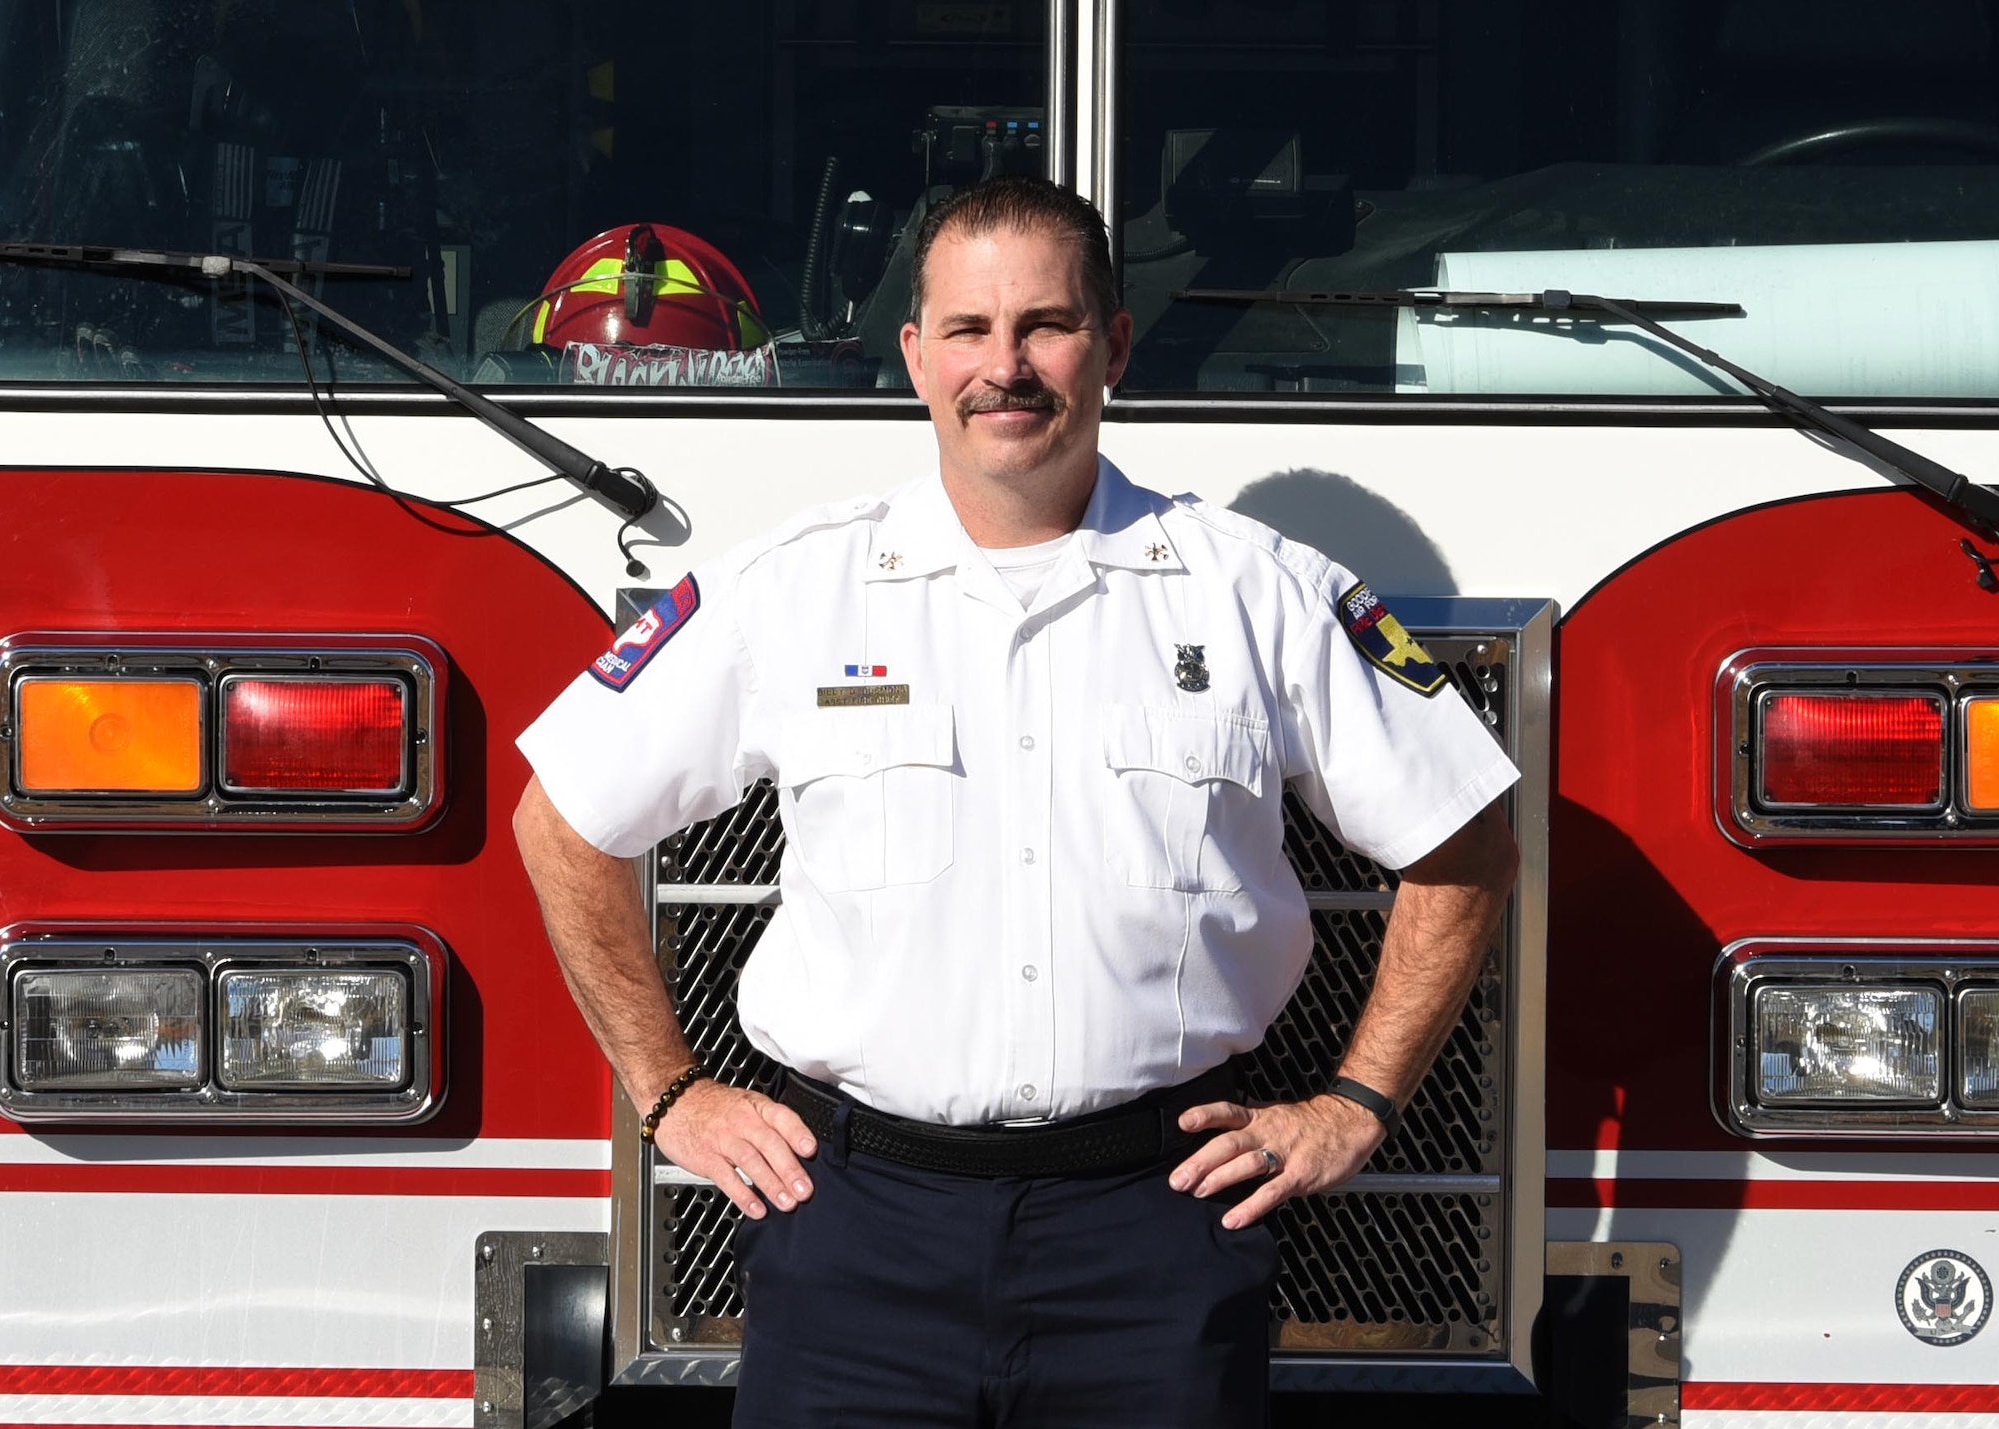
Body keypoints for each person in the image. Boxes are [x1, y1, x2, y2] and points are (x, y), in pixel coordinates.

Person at [512, 174, 1520, 1427]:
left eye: (1044, 324)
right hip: (850, 1232)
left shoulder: (1256, 592)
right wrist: (670, 1090)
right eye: (968, 330)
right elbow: (560, 821)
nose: (1006, 366)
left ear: (1113, 345)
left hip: (1157, 1233)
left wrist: (1352, 1104)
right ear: (914, 355)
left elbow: (1465, 837)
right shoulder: (792, 590)